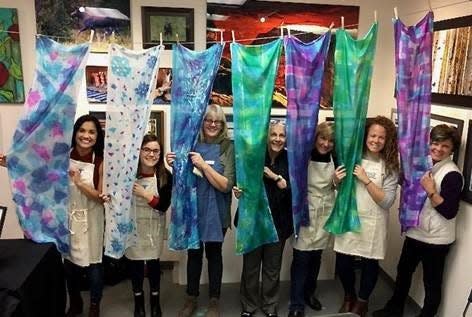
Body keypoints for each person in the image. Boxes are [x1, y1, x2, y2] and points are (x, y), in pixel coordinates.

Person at [373, 124, 463, 317]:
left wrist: (431, 190)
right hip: (416, 232)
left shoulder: (452, 174)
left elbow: (449, 211)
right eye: (435, 143)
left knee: (432, 283)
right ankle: (394, 309)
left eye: (445, 146)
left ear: (452, 149)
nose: (438, 149)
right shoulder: (424, 164)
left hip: (436, 241)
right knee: (403, 272)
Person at [166, 104, 235, 317]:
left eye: (218, 121)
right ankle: (191, 299)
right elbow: (183, 178)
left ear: (223, 125)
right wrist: (172, 165)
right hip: (194, 210)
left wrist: (204, 166)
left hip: (217, 211)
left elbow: (226, 185)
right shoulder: (191, 144)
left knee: (214, 256)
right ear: (202, 122)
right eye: (208, 120)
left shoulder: (228, 147)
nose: (213, 124)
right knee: (194, 255)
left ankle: (214, 301)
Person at [335, 116, 399, 317]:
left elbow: (387, 201)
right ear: (365, 136)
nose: (376, 140)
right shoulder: (352, 156)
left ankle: (362, 302)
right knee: (343, 260)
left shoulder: (390, 165)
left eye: (381, 137)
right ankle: (349, 296)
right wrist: (335, 180)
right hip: (350, 217)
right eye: (373, 135)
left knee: (370, 262)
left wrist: (366, 180)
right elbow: (338, 187)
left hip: (374, 221)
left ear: (387, 140)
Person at [234, 120, 293, 317]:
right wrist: (238, 190)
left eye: (281, 135)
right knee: (250, 267)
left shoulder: (291, 160)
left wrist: (276, 178)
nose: (277, 139)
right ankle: (249, 306)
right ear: (266, 137)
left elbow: (295, 192)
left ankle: (269, 306)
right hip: (253, 222)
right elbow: (243, 184)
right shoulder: (254, 156)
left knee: (272, 268)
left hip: (279, 223)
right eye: (273, 134)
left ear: (286, 138)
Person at [287, 122, 345, 317]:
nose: (326, 144)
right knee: (301, 258)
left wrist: (336, 182)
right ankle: (296, 303)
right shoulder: (303, 155)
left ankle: (309, 294)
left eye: (331, 141)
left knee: (315, 257)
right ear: (315, 138)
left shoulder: (336, 159)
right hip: (305, 209)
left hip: (324, 210)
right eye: (323, 138)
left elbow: (338, 188)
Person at [63, 114, 106, 317]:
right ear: (75, 133)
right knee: (69, 264)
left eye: (91, 132)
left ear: (97, 136)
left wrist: (80, 183)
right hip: (69, 217)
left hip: (92, 219)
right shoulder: (63, 157)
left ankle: (95, 305)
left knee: (94, 265)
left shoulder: (100, 162)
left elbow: (100, 197)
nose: (86, 135)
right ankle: (75, 302)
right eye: (82, 130)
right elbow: (39, 172)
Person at [125, 134, 172, 317]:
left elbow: (163, 206)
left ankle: (154, 302)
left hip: (154, 227)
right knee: (135, 264)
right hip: (133, 226)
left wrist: (145, 194)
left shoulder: (165, 176)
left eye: (155, 151)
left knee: (153, 263)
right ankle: (138, 302)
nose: (151, 154)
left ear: (160, 154)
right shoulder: (129, 174)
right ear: (139, 151)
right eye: (147, 149)